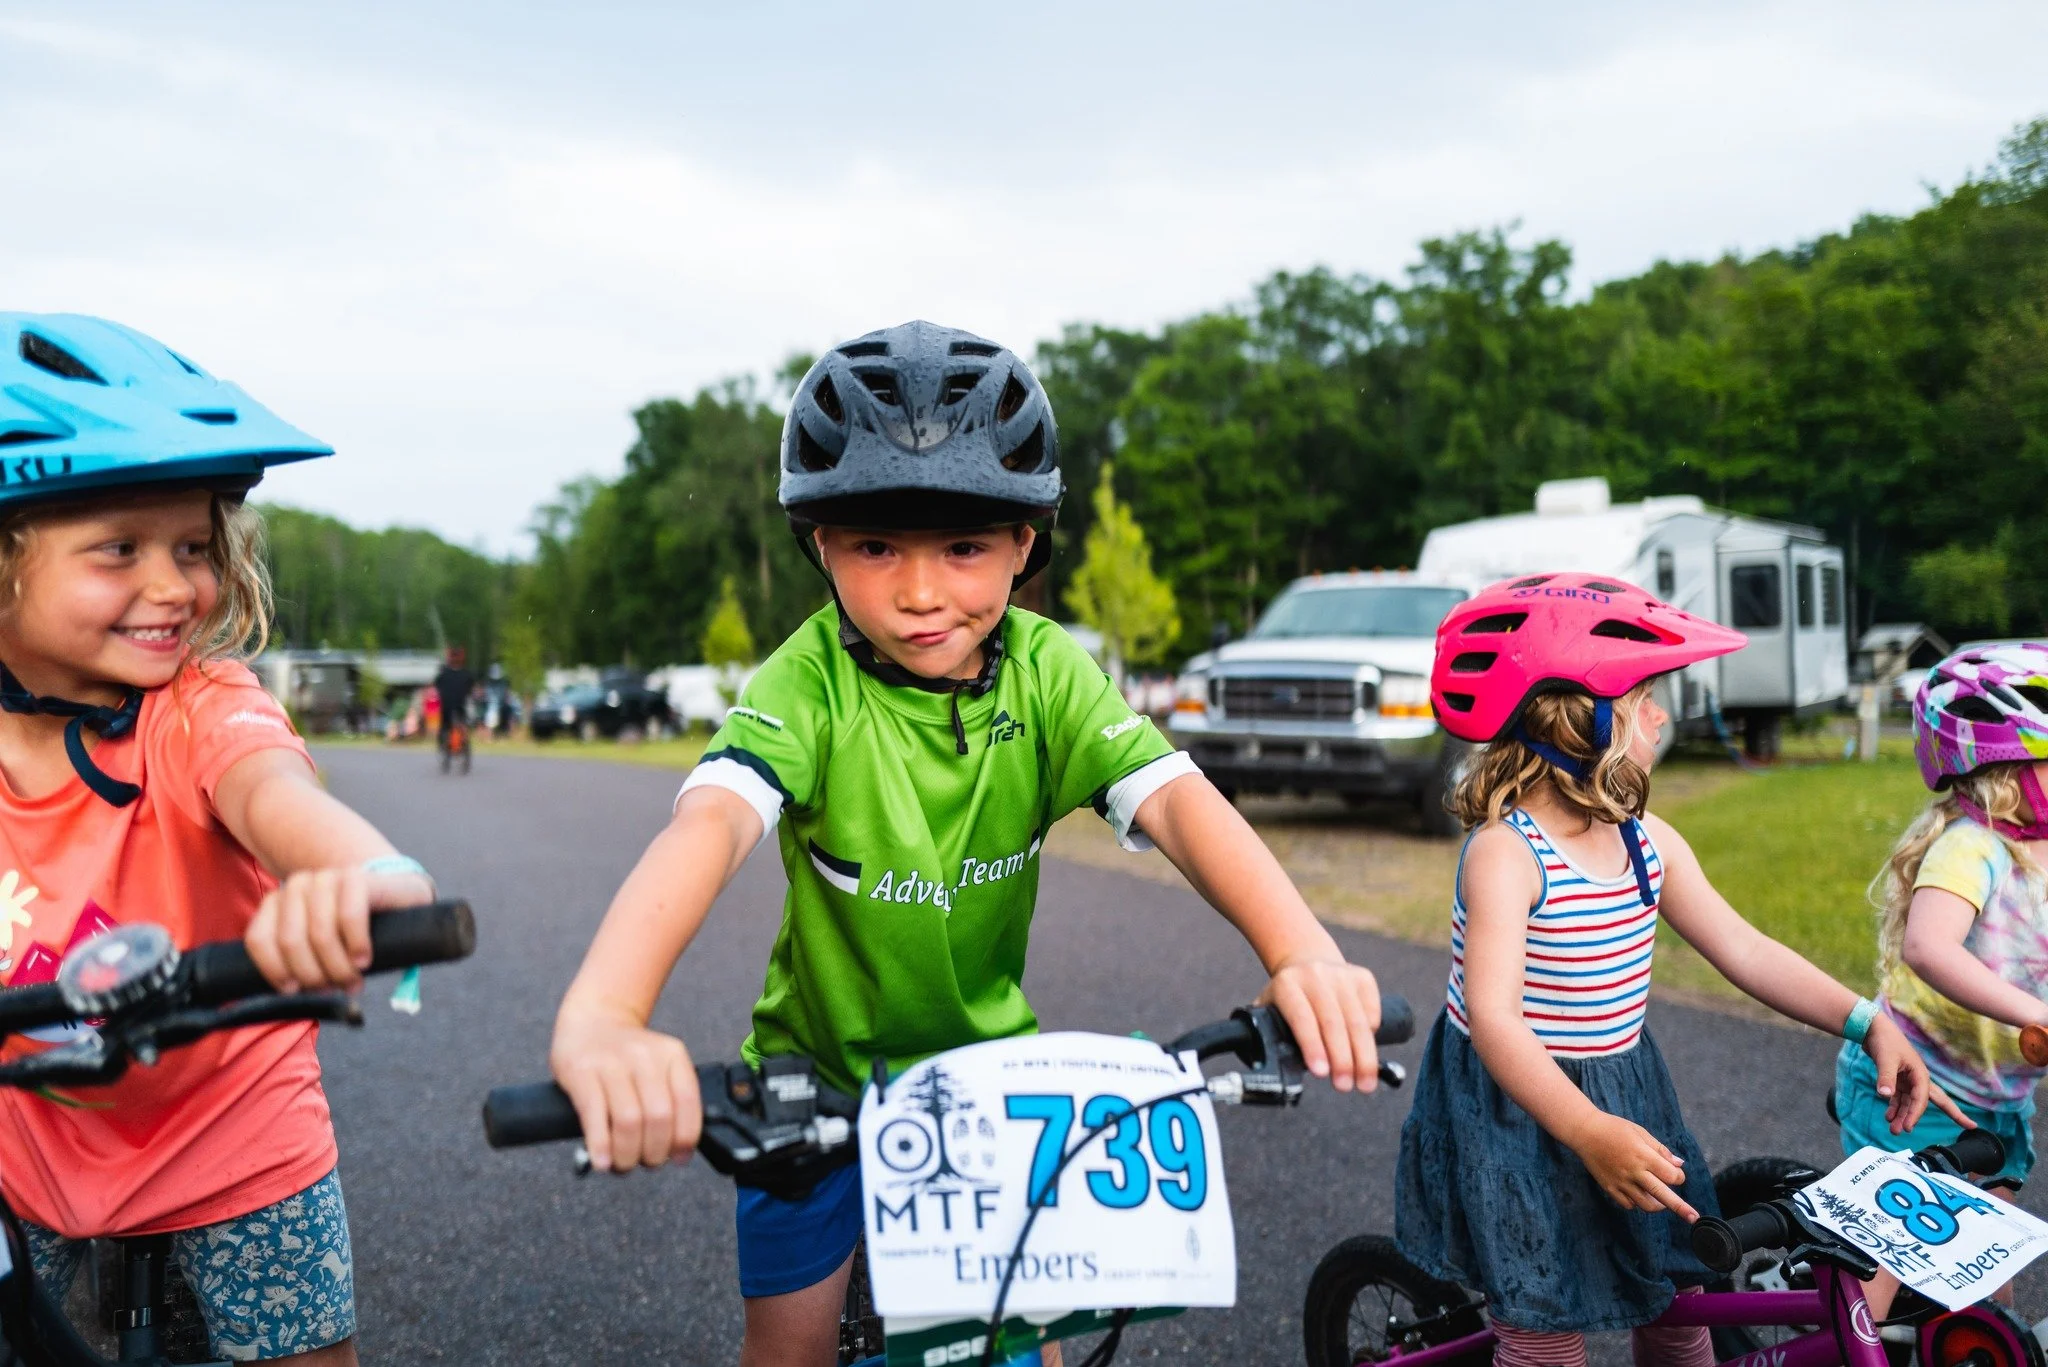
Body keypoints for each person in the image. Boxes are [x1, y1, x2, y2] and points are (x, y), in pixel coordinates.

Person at [548, 321, 1386, 1367]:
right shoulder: (804, 683)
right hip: (817, 1085)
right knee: (792, 1346)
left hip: (989, 1091)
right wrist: (606, 1015)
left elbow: (1176, 800)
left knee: (1014, 1344)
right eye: (873, 545)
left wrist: (1299, 950)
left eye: (962, 545)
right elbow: (709, 822)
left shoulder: (1046, 671)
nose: (918, 591)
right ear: (817, 542)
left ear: (1025, 541)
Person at [0, 314, 440, 1364]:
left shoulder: (198, 703)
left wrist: (361, 874)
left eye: (193, 546)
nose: (175, 586)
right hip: (33, 1153)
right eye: (121, 548)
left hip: (235, 1134)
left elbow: (276, 793)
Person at [1396, 573, 1957, 1367]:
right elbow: (1494, 1020)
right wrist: (1587, 1128)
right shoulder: (1506, 853)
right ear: (1579, 718)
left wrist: (1867, 1021)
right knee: (1545, 1337)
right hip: (1517, 1108)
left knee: (1678, 1304)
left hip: (1626, 1086)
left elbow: (1745, 949)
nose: (1662, 712)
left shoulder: (1645, 838)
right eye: (1645, 697)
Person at [1831, 642, 2048, 1313]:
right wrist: (2031, 1012)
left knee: (1987, 1271)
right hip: (1916, 1086)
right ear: (2006, 768)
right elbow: (1928, 946)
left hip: (1996, 1093)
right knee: (1888, 1265)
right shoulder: (1972, 846)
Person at [432, 646, 474, 754]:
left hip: (448, 704)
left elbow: (437, 685)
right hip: (460, 704)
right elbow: (470, 688)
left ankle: (443, 742)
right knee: (462, 722)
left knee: (445, 725)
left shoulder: (444, 674)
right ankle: (462, 740)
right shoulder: (466, 674)